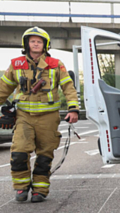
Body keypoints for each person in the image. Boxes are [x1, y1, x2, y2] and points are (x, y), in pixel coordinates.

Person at [0, 27, 80, 203]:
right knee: (19, 152)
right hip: (24, 117)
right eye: (32, 41)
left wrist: (73, 108)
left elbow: (68, 87)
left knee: (44, 156)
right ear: (26, 44)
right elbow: (3, 88)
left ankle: (40, 189)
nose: (36, 44)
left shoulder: (56, 64)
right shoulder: (16, 64)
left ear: (45, 45)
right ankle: (21, 187)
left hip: (48, 117)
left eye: (39, 41)